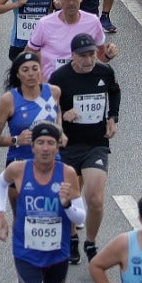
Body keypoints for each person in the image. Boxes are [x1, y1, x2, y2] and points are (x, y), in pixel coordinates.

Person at [0, 121, 85, 283]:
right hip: (26, 252)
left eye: (50, 143)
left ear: (58, 145)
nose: (45, 148)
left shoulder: (67, 173)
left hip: (57, 253)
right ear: (32, 146)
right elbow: (0, 183)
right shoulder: (18, 169)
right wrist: (1, 213)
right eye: (40, 142)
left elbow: (80, 215)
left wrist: (67, 204)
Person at [49, 33, 120, 266]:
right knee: (71, 196)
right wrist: (64, 114)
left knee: (95, 197)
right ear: (72, 56)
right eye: (83, 56)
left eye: (91, 54)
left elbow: (114, 91)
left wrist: (112, 118)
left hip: (96, 144)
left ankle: (90, 241)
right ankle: (71, 238)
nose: (89, 60)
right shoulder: (59, 77)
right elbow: (49, 106)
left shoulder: (104, 72)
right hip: (69, 145)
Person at [0, 50, 62, 165]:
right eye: (25, 70)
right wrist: (17, 140)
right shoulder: (9, 100)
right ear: (18, 75)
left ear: (40, 70)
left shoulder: (54, 92)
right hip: (20, 161)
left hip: (51, 160)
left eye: (35, 68)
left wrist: (60, 132)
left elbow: (57, 114)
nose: (31, 73)